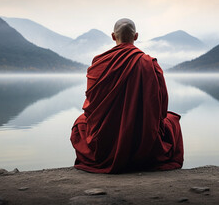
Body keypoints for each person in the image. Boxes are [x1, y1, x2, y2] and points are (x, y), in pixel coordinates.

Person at [70, 18, 183, 173]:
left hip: (105, 141)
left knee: (80, 123)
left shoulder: (98, 64)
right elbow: (162, 109)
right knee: (172, 121)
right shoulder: (149, 64)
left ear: (112, 36)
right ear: (136, 36)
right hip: (144, 140)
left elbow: (91, 108)